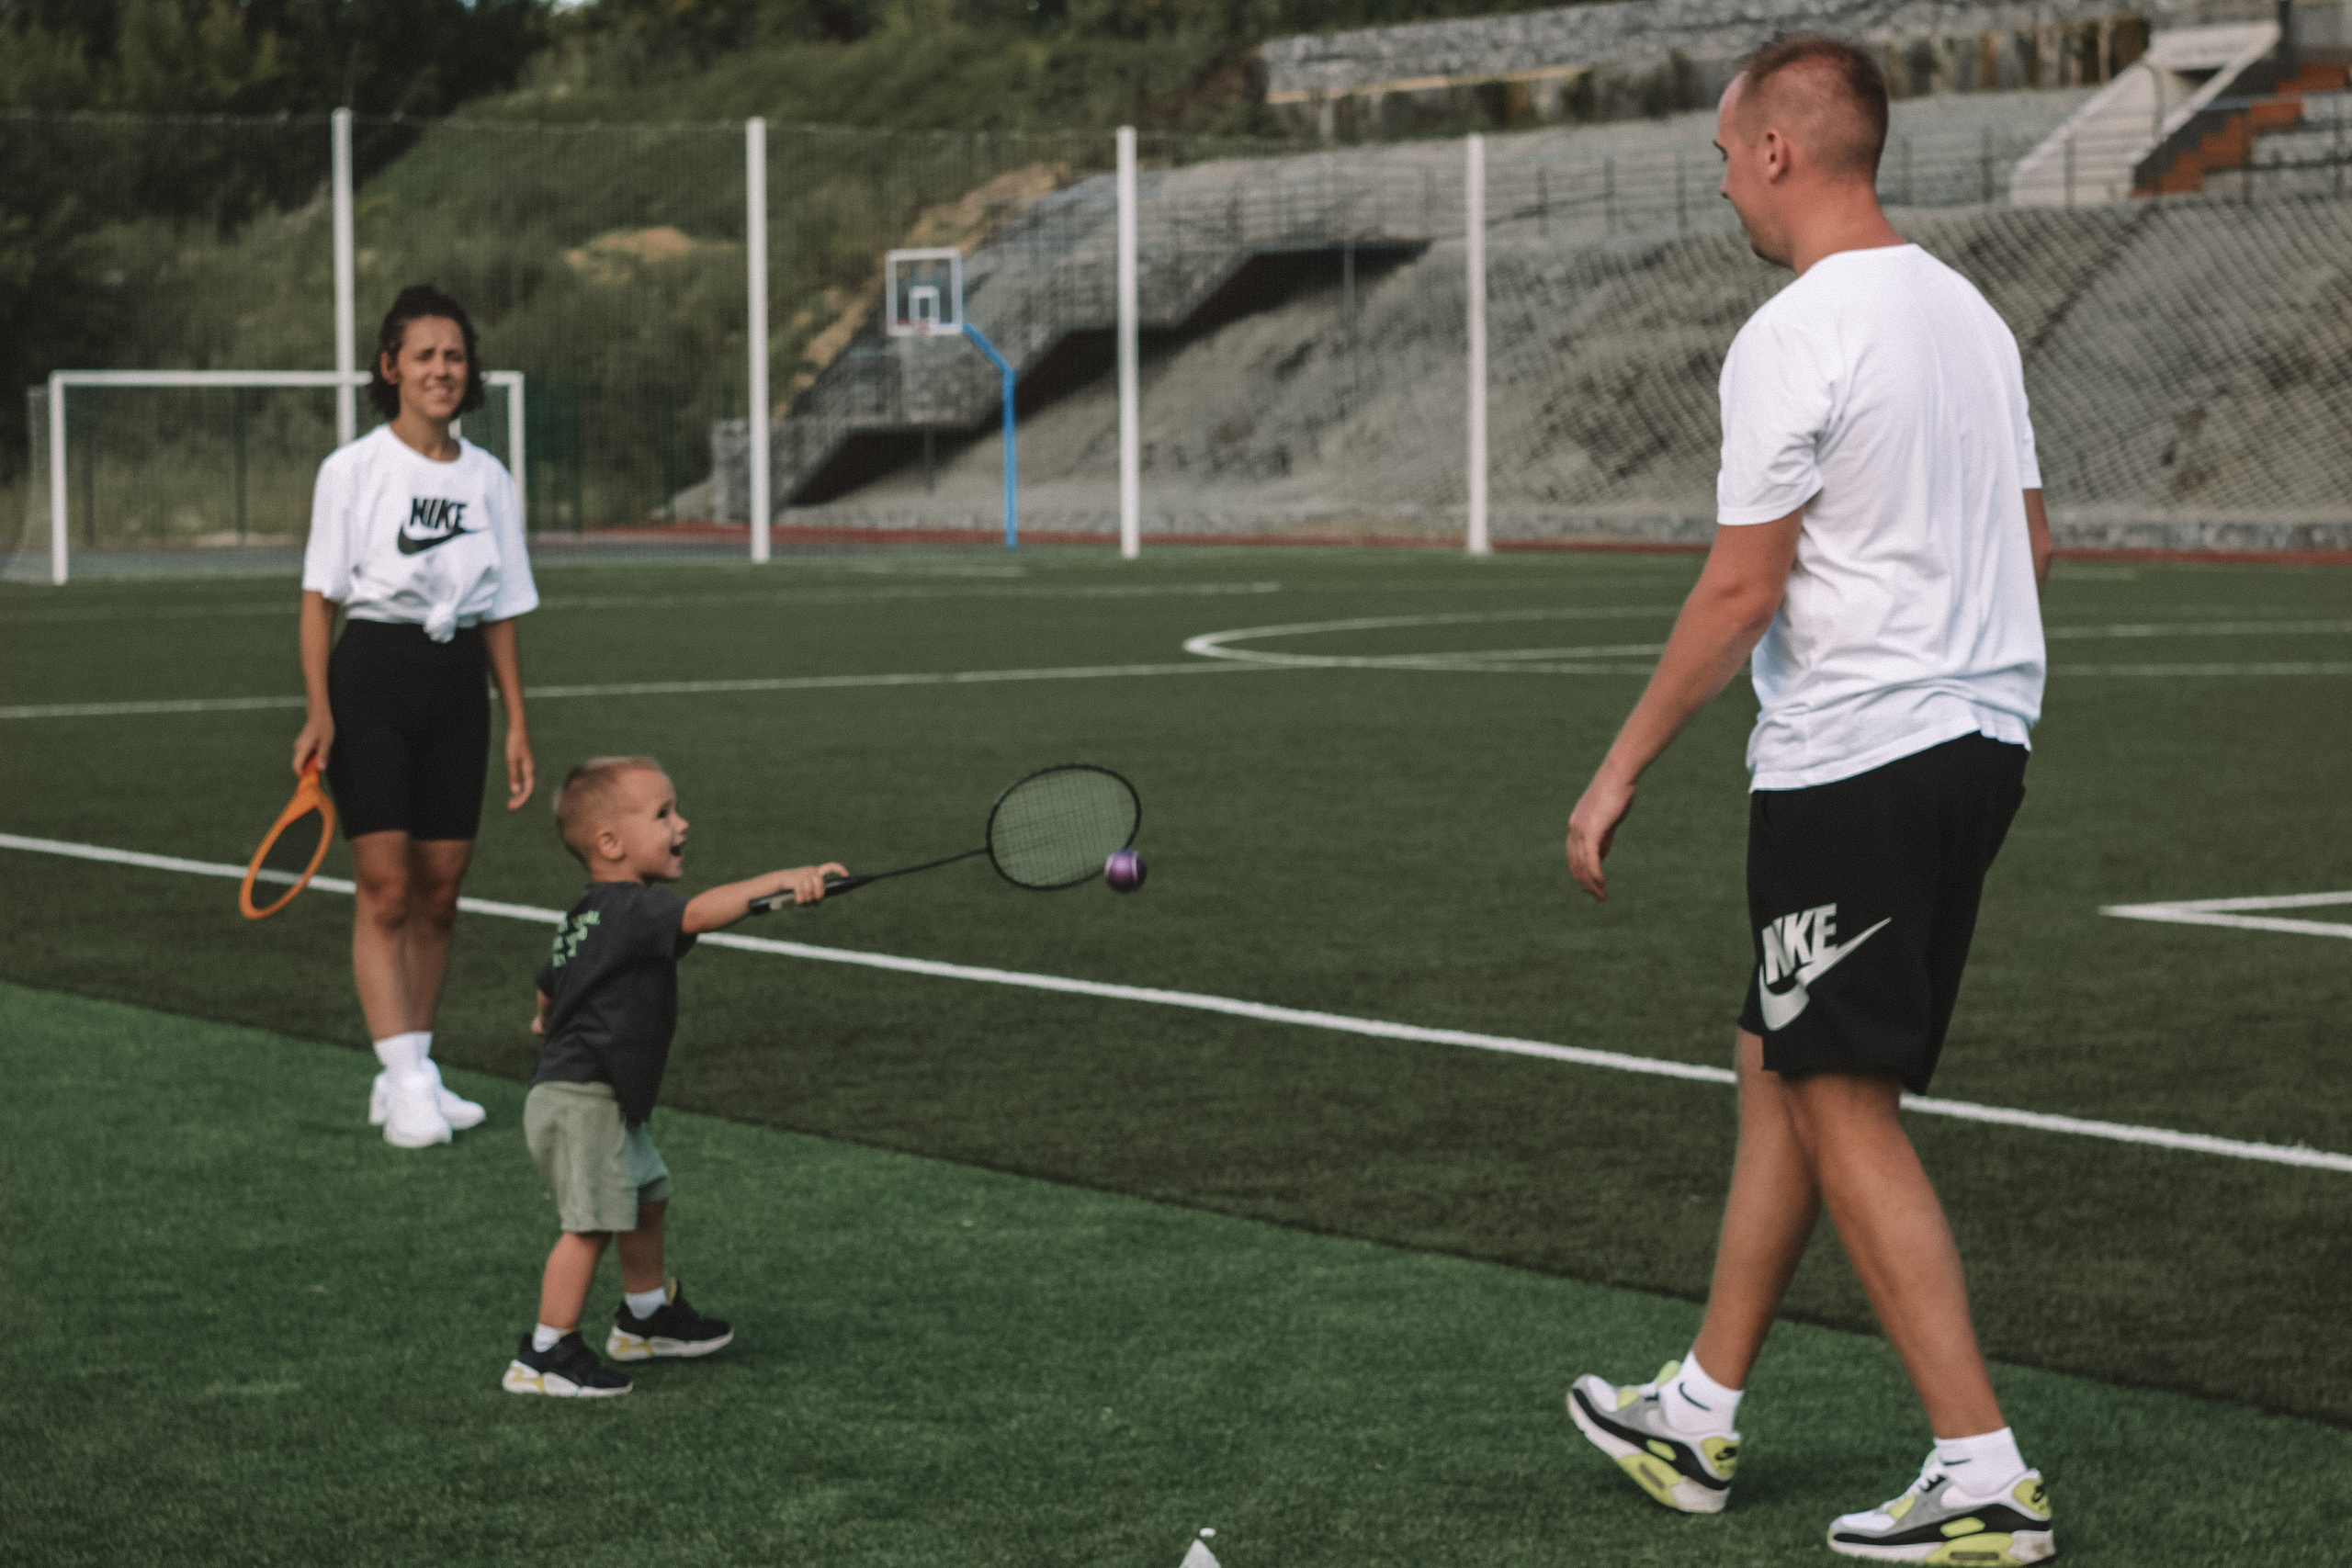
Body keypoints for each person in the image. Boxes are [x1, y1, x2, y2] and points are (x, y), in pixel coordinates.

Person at [1558, 36, 2058, 1566]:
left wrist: (1620, 761)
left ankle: (1980, 1466)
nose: (1721, 183)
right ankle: (1698, 1410)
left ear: (1779, 149)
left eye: (1722, 155)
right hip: (1983, 741)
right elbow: (2032, 542)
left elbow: (1740, 586)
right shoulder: (1968, 314)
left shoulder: (1794, 330)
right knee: (1783, 1049)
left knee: (1838, 1092)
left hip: (1857, 759)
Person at [503, 757, 847, 1398]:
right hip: (585, 1096)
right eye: (662, 813)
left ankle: (645, 1317)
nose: (681, 822)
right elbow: (702, 912)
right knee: (591, 1221)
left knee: (647, 1194)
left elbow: (549, 981)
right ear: (609, 843)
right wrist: (787, 879)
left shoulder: (589, 913)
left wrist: (544, 1020)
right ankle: (546, 1351)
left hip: (595, 1091)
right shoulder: (634, 908)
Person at [294, 284, 538, 1149]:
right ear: (391, 366)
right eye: (424, 354)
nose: (442, 369)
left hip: (453, 682)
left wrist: (514, 719)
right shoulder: (352, 470)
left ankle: (416, 1069)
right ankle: (402, 1079)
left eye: (455, 356)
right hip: (373, 674)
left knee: (440, 892)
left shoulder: (489, 478)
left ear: (470, 373)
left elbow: (501, 606)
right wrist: (320, 711)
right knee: (387, 888)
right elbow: (319, 601)